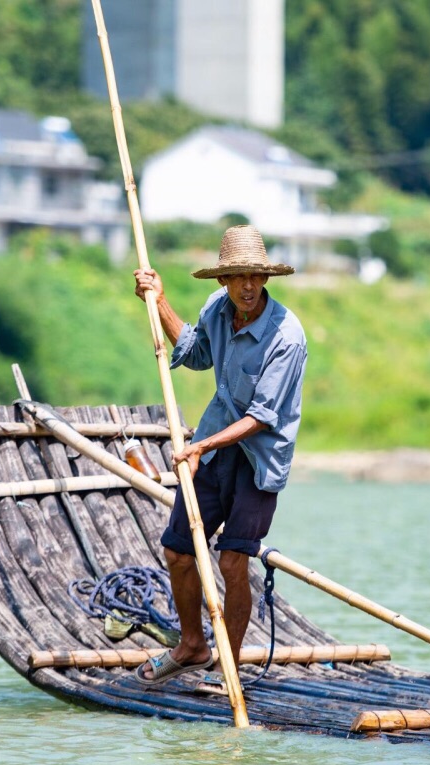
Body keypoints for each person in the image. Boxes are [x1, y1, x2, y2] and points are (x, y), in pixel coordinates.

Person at [132, 225, 308, 685]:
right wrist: (158, 299)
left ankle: (227, 664)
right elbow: (192, 353)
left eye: (255, 276)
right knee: (178, 551)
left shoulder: (286, 337)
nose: (247, 286)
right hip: (214, 446)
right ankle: (192, 646)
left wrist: (199, 446)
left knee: (233, 561)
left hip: (258, 458)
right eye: (237, 277)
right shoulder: (218, 309)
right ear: (222, 282)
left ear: (266, 278)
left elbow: (262, 417)